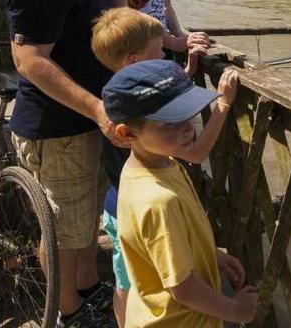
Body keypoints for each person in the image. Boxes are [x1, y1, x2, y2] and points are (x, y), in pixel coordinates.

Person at [0, 0, 119, 327]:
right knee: (64, 232)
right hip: (59, 128)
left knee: (85, 222)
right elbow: (29, 60)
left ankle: (87, 288)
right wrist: (95, 106)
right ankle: (68, 313)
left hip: (88, 121)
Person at [102, 60, 258, 327]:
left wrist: (213, 255)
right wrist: (236, 310)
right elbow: (183, 289)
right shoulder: (159, 200)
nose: (188, 127)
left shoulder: (151, 164)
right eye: (169, 123)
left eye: (187, 115)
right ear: (127, 133)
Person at [90, 7, 218, 325]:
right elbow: (195, 151)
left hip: (124, 205)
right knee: (130, 284)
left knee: (138, 280)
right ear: (134, 60)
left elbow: (156, 107)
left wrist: (183, 76)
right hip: (130, 215)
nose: (164, 54)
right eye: (159, 51)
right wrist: (224, 105)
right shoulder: (157, 195)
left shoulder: (124, 99)